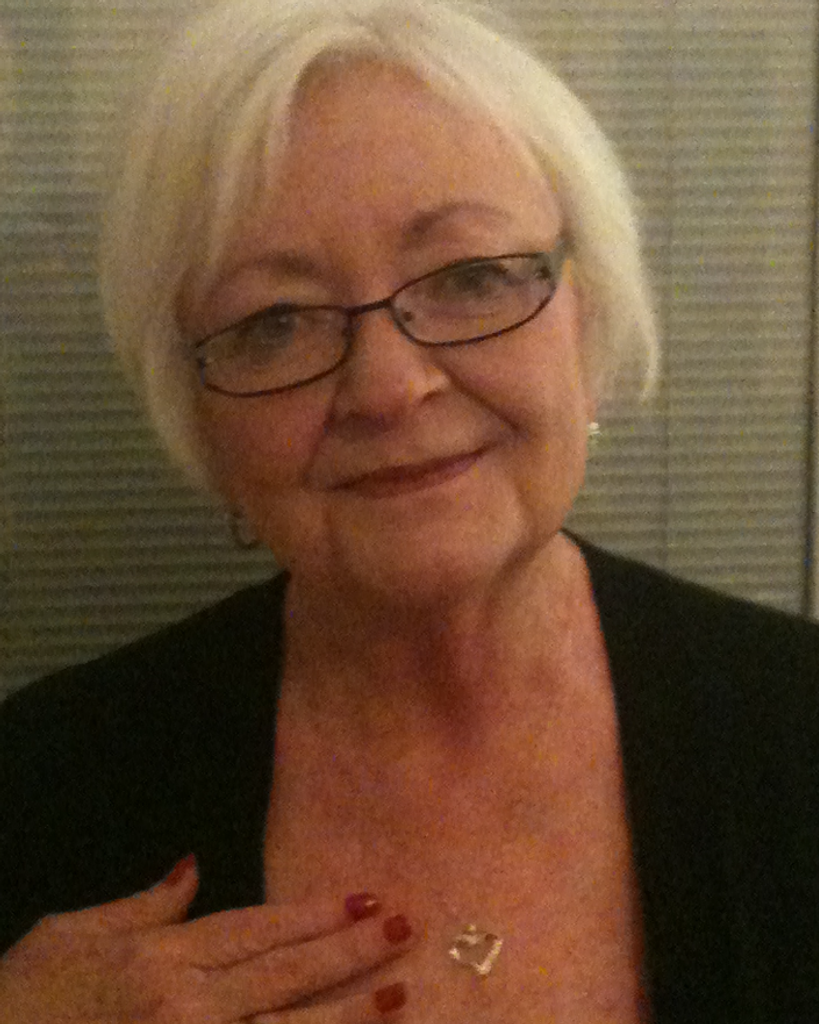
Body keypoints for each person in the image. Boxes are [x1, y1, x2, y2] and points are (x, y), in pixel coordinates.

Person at [1, 0, 817, 1021]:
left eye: (472, 277)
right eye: (277, 321)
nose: (388, 389)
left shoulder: (796, 728)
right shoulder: (40, 793)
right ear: (202, 418)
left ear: (589, 314)